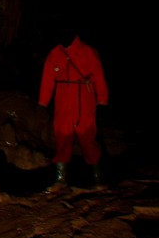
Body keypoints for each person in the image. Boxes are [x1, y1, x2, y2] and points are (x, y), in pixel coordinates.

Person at [39, 31, 108, 190]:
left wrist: (102, 98)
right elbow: (47, 79)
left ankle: (98, 178)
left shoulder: (87, 52)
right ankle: (60, 179)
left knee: (87, 137)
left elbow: (98, 74)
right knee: (62, 136)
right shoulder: (55, 54)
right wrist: (43, 102)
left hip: (84, 99)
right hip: (63, 101)